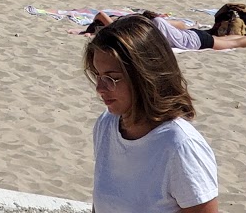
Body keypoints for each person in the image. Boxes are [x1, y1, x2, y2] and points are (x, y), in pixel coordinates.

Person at [85, 13, 219, 213]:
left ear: (144, 75)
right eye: (98, 75)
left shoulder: (180, 145)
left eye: (112, 78)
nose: (100, 88)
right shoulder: (107, 125)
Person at [89, 10, 246, 52]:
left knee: (233, 43)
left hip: (196, 40)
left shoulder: (147, 30)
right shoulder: (155, 23)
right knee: (230, 40)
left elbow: (103, 16)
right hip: (194, 35)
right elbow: (179, 24)